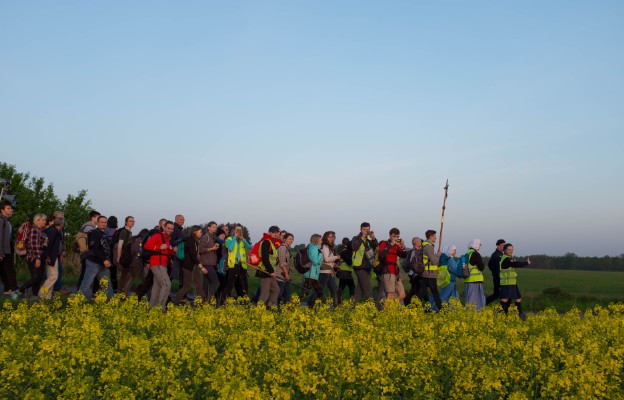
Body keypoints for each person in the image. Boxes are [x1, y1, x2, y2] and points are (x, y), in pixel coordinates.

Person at [78, 215, 114, 300]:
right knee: (86, 283)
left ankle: (112, 302)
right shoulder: (94, 233)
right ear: (97, 223)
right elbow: (94, 248)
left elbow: (104, 249)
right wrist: (104, 260)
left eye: (105, 222)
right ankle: (78, 302)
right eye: (101, 222)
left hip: (102, 262)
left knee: (106, 283)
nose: (104, 224)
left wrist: (107, 260)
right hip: (93, 262)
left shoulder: (103, 234)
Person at [143, 220, 175, 311]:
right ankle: (161, 308)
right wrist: (158, 247)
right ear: (164, 227)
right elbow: (146, 245)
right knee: (166, 284)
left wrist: (172, 249)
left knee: (157, 286)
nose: (170, 230)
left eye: (172, 229)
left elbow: (167, 250)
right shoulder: (157, 236)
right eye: (168, 228)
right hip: (157, 263)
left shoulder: (168, 239)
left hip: (163, 264)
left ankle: (152, 308)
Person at [16, 213, 47, 298]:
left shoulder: (40, 230)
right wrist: (37, 258)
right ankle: (20, 290)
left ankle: (34, 296)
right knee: (36, 278)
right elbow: (34, 245)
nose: (45, 221)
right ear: (37, 220)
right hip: (33, 257)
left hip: (40, 257)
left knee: (39, 278)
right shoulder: (34, 230)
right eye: (43, 220)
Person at [134, 219, 167, 301]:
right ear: (160, 225)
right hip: (153, 262)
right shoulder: (156, 233)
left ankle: (139, 296)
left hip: (158, 262)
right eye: (164, 225)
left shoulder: (163, 235)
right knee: (159, 282)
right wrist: (148, 262)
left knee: (151, 282)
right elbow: (148, 248)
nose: (166, 226)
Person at [175, 225, 206, 305]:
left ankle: (201, 303)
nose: (201, 233)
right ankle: (176, 302)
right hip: (188, 267)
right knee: (187, 286)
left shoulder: (195, 241)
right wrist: (201, 267)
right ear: (195, 232)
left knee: (198, 284)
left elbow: (195, 255)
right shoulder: (190, 241)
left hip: (193, 266)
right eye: (200, 232)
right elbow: (192, 255)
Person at [221, 225, 251, 305]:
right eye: (237, 230)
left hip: (242, 265)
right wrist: (234, 237)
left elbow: (248, 247)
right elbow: (230, 248)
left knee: (244, 285)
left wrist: (243, 239)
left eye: (240, 230)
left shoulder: (242, 240)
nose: (239, 231)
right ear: (233, 230)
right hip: (233, 264)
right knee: (230, 284)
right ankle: (222, 301)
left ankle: (245, 302)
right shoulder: (229, 239)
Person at [309, 231, 340, 307]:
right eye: (329, 237)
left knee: (334, 290)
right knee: (319, 291)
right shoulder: (325, 246)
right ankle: (309, 305)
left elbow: (325, 259)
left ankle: (337, 308)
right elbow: (326, 259)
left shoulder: (328, 246)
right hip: (324, 272)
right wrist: (337, 257)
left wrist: (333, 265)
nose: (331, 238)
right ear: (325, 237)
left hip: (327, 271)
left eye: (332, 237)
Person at [499, 243, 531, 316]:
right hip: (507, 283)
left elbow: (514, 263)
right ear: (504, 250)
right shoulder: (506, 259)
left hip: (512, 283)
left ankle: (520, 314)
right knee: (504, 299)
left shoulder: (509, 258)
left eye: (512, 249)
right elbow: (516, 264)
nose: (511, 251)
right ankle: (500, 315)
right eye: (509, 250)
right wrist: (526, 263)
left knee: (518, 298)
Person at [377, 228, 408, 302]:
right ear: (390, 236)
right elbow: (381, 255)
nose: (396, 238)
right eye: (394, 236)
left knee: (402, 294)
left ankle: (390, 307)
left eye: (397, 237)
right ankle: (388, 311)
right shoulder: (384, 243)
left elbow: (404, 255)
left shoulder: (397, 246)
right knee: (390, 295)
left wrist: (403, 246)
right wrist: (391, 244)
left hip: (395, 272)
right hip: (387, 270)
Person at [351, 222, 378, 303]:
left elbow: (377, 248)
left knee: (359, 290)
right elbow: (354, 247)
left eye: (367, 230)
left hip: (368, 267)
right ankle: (372, 309)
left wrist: (373, 238)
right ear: (360, 229)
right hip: (359, 267)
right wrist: (362, 238)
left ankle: (352, 307)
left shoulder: (369, 241)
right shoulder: (355, 238)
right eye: (364, 229)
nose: (366, 231)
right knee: (368, 289)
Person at [39, 214, 64, 300]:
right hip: (51, 257)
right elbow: (48, 245)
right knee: (53, 276)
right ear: (61, 225)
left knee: (51, 276)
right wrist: (47, 257)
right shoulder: (53, 231)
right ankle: (42, 293)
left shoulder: (51, 230)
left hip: (52, 256)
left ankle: (47, 297)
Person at [256, 226, 281, 307]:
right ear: (269, 232)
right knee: (265, 293)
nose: (275, 234)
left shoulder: (272, 242)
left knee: (276, 290)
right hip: (265, 271)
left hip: (270, 272)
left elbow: (272, 259)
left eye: (277, 232)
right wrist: (271, 271)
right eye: (273, 232)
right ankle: (258, 311)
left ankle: (269, 306)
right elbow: (265, 259)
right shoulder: (266, 242)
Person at [430, 244, 461, 311]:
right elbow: (455, 270)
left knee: (452, 296)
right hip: (450, 281)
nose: (455, 252)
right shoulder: (450, 260)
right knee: (444, 296)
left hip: (448, 280)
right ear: (450, 251)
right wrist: (462, 274)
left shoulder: (445, 259)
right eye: (454, 250)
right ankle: (434, 308)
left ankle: (452, 309)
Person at [76, 210, 101, 289]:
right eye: (98, 218)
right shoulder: (89, 228)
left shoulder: (86, 226)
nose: (99, 220)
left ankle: (79, 292)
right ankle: (80, 293)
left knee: (85, 274)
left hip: (84, 253)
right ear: (93, 217)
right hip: (87, 253)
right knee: (85, 274)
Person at [420, 230, 443, 310]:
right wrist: (438, 255)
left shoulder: (424, 246)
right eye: (434, 236)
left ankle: (425, 310)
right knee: (435, 293)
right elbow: (434, 261)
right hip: (430, 274)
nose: (436, 238)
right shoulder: (429, 247)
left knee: (422, 294)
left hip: (425, 274)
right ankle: (442, 311)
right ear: (430, 237)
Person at [301, 234, 325, 308]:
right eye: (321, 239)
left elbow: (318, 262)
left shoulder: (313, 248)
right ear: (316, 240)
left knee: (315, 291)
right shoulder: (314, 248)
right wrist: (321, 253)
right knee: (318, 291)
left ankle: (311, 306)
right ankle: (323, 306)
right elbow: (315, 261)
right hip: (311, 274)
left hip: (312, 274)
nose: (322, 241)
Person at [198, 221, 219, 303]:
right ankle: (209, 299)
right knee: (214, 280)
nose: (215, 228)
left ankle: (204, 301)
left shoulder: (213, 237)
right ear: (208, 227)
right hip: (206, 263)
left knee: (206, 283)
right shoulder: (205, 237)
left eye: (216, 227)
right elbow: (200, 249)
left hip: (211, 263)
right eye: (213, 227)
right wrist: (212, 249)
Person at [464, 239, 486, 310]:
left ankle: (469, 315)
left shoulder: (467, 254)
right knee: (477, 301)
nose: (480, 246)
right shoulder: (475, 254)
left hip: (467, 280)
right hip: (475, 281)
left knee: (469, 300)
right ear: (476, 245)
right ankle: (474, 316)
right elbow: (481, 267)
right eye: (479, 244)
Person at [0, 202, 17, 295]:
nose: (11, 210)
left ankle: (7, 289)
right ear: (2, 210)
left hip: (7, 248)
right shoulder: (1, 220)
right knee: (10, 270)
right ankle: (14, 290)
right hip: (3, 250)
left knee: (4, 270)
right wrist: (1, 252)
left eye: (11, 208)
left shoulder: (7, 220)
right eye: (8, 208)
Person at [116, 216, 135, 295]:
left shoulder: (130, 232)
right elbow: (120, 245)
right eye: (130, 221)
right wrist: (118, 256)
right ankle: (120, 292)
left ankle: (121, 292)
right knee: (124, 274)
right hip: (124, 256)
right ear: (126, 222)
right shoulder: (124, 231)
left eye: (133, 221)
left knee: (125, 274)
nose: (132, 222)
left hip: (127, 255)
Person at [403, 237, 423, 306]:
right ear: (416, 243)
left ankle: (408, 303)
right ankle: (410, 303)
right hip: (414, 274)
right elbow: (411, 263)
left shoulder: (412, 251)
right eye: (420, 241)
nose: (421, 242)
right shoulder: (413, 251)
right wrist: (416, 271)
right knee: (417, 289)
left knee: (414, 289)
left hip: (413, 273)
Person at [486, 239, 506, 305]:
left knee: (497, 295)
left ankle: (483, 304)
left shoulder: (498, 254)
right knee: (502, 295)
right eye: (502, 245)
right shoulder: (497, 255)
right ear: (497, 246)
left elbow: (489, 265)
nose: (504, 246)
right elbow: (494, 267)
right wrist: (498, 277)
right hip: (499, 278)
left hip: (498, 278)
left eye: (504, 245)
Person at [276, 232, 294, 304]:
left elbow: (285, 262)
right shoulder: (282, 248)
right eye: (289, 239)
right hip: (280, 274)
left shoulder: (286, 248)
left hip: (284, 273)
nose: (291, 241)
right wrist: (286, 274)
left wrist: (289, 268)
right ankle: (272, 306)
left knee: (286, 293)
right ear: (284, 239)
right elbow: (282, 263)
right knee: (279, 293)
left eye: (292, 239)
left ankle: (285, 308)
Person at [336, 237, 355, 303]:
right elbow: (348, 260)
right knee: (352, 287)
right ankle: (352, 302)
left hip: (341, 270)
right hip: (346, 271)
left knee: (341, 286)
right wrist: (351, 265)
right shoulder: (345, 251)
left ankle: (338, 301)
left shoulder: (340, 250)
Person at [104, 216, 119, 292]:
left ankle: (102, 290)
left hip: (104, 254)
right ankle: (115, 290)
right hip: (113, 254)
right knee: (113, 274)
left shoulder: (104, 230)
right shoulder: (116, 232)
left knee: (102, 274)